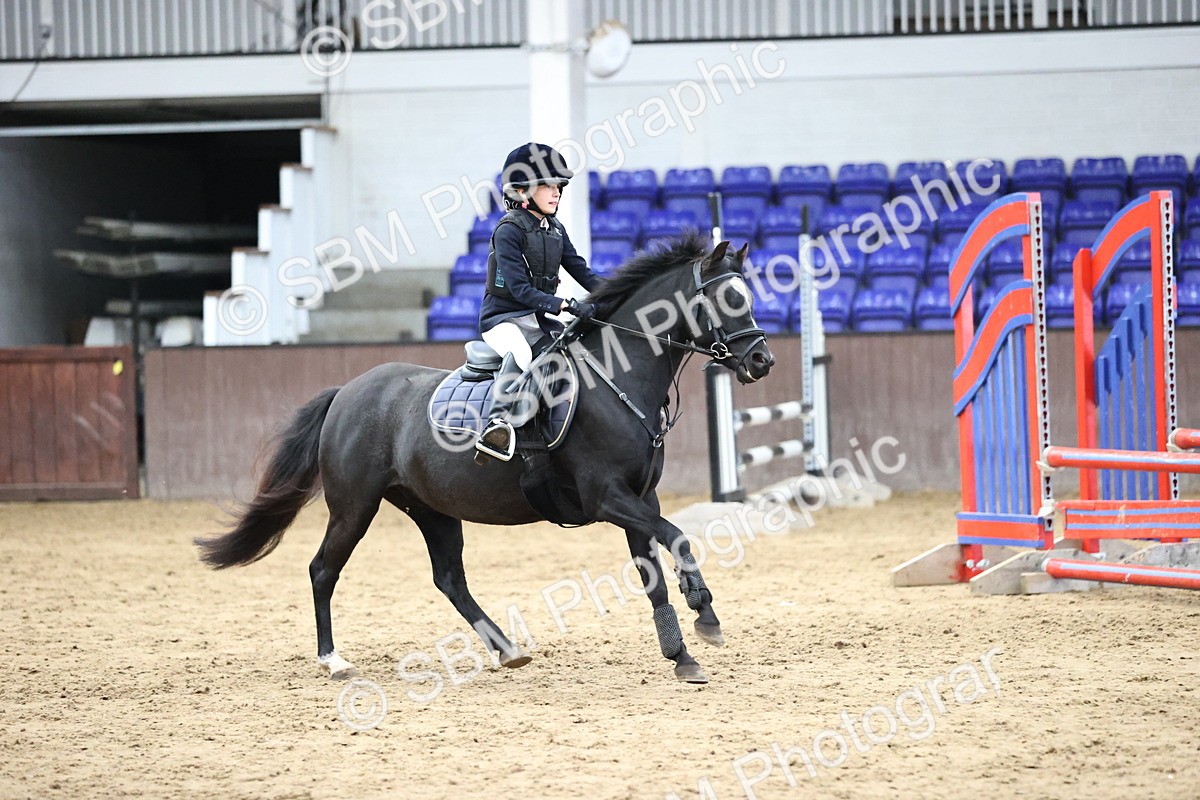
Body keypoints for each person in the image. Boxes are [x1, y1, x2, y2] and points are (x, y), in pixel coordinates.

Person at [475, 142, 602, 462]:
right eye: (547, 185)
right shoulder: (508, 231)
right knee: (523, 352)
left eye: (558, 185)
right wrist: (563, 304)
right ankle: (497, 424)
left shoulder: (555, 229)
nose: (556, 191)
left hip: (535, 317)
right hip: (502, 319)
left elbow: (581, 270)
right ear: (520, 192)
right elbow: (518, 289)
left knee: (573, 350)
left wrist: (614, 293)